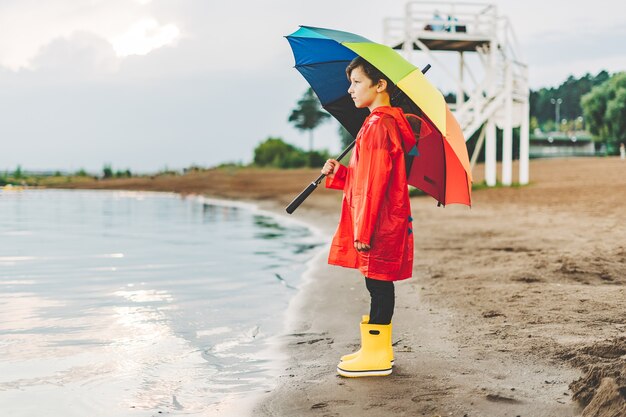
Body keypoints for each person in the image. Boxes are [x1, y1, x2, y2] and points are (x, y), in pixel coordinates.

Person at [321, 56, 415, 378]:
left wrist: (363, 230)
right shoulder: (381, 123)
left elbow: (374, 185)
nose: (350, 89)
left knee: (378, 284)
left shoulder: (378, 126)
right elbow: (365, 178)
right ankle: (378, 349)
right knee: (377, 283)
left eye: (357, 82)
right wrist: (340, 172)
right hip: (383, 219)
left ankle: (376, 356)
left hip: (378, 222)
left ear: (380, 85)